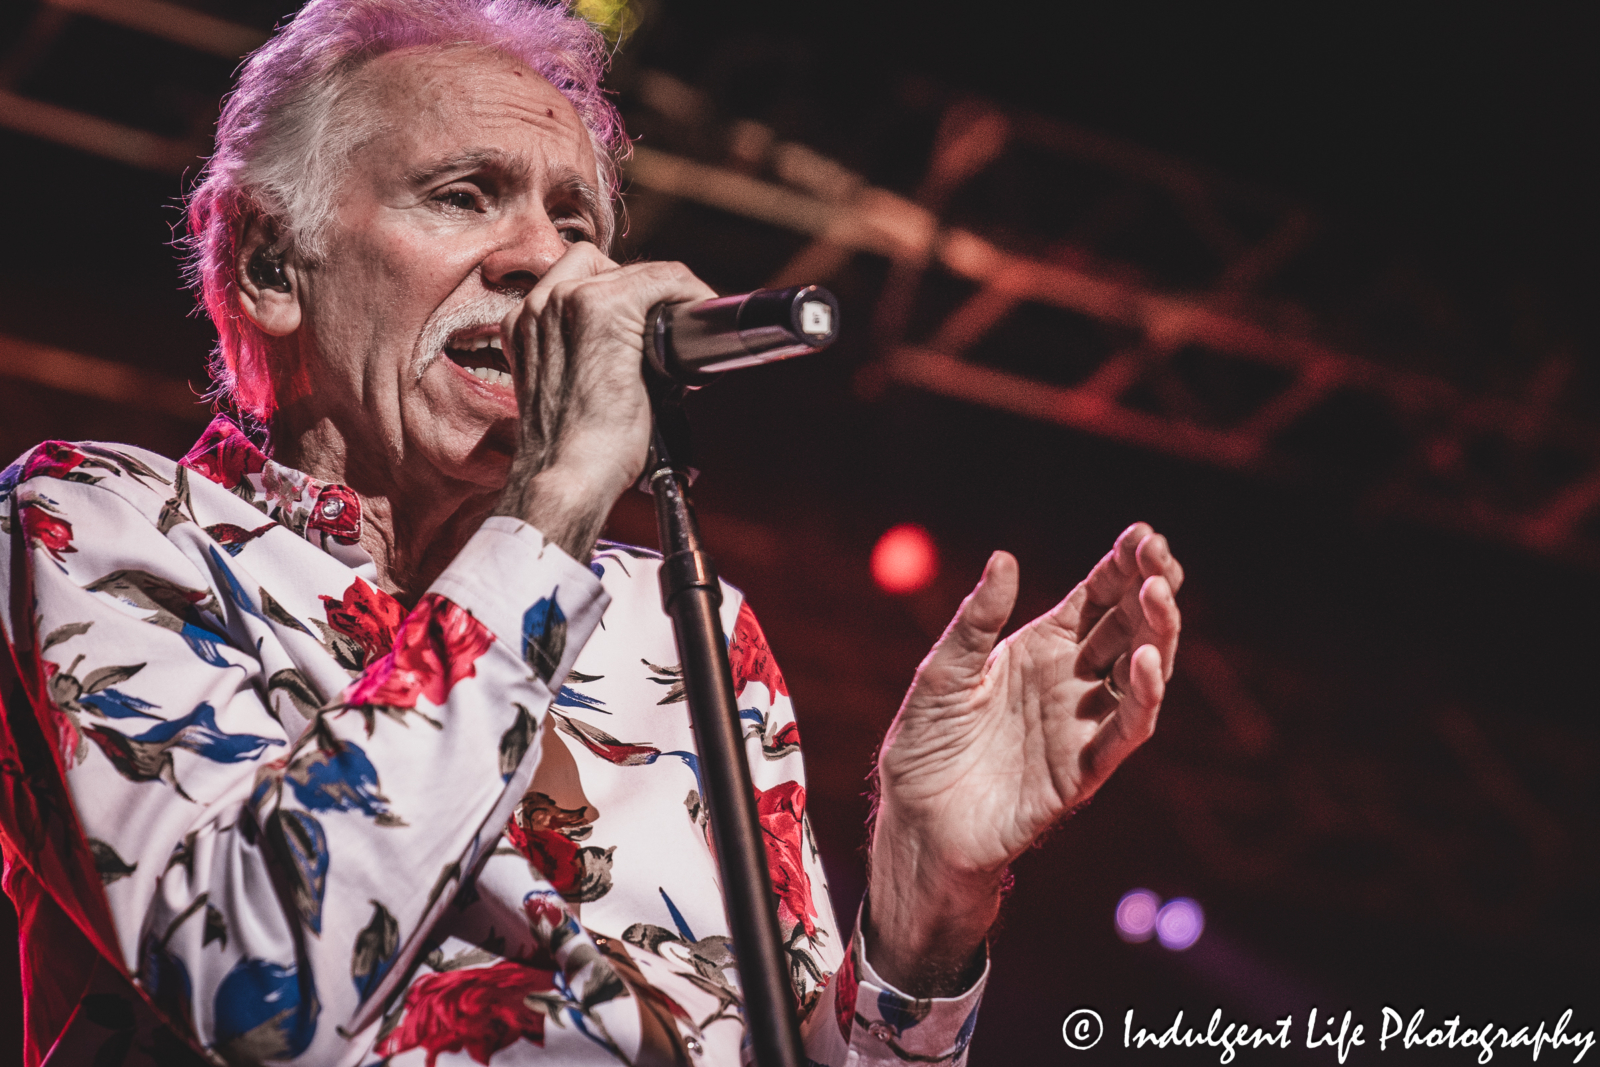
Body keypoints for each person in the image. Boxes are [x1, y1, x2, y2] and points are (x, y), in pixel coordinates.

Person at [0, 1, 1183, 1063]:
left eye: (576, 220)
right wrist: (556, 500)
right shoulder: (97, 525)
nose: (542, 259)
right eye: (464, 194)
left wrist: (924, 910)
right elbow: (247, 995)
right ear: (268, 264)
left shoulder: (684, 625)